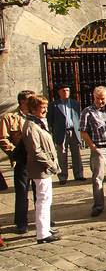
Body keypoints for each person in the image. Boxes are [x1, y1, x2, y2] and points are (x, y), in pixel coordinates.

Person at [22, 95, 61, 244]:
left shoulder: (38, 123)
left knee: (46, 199)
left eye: (45, 107)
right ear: (33, 108)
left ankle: (45, 228)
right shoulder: (31, 126)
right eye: (42, 107)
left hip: (45, 168)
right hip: (40, 168)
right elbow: (35, 151)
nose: (45, 110)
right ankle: (42, 234)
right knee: (43, 200)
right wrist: (50, 164)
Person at [79, 86, 106, 216]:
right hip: (99, 148)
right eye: (97, 98)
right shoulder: (87, 111)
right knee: (98, 178)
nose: (100, 101)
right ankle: (98, 205)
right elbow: (83, 131)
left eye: (103, 99)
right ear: (93, 97)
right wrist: (93, 147)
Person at [1, 90, 36, 234]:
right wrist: (15, 153)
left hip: (37, 160)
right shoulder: (9, 117)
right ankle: (21, 222)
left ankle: (43, 219)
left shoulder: (36, 115)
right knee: (22, 192)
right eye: (31, 100)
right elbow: (3, 138)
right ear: (22, 101)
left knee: (39, 191)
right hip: (22, 161)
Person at [47, 84, 83, 184]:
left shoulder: (75, 103)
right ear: (59, 92)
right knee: (62, 155)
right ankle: (62, 177)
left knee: (77, 154)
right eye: (63, 91)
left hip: (74, 131)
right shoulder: (54, 105)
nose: (66, 92)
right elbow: (50, 120)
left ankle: (79, 174)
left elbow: (79, 117)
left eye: (67, 90)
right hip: (61, 132)